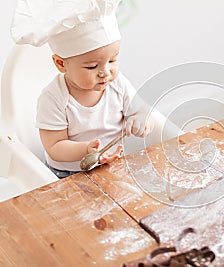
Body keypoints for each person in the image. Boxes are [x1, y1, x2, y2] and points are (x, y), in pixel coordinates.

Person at [11, 0, 154, 178]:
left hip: (115, 163)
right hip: (69, 173)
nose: (105, 72)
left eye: (112, 60)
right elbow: (54, 146)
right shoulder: (54, 98)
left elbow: (141, 110)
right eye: (92, 66)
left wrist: (141, 119)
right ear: (61, 64)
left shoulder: (118, 84)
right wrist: (85, 149)